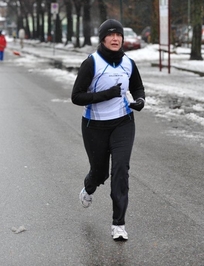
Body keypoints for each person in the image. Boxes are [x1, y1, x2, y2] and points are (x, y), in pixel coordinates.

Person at [71, 19, 145, 241]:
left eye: (118, 35)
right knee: (100, 172)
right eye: (110, 35)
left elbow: (137, 86)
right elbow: (76, 96)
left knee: (121, 170)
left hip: (123, 123)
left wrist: (140, 99)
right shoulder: (91, 63)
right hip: (95, 126)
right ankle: (89, 187)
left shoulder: (129, 63)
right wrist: (107, 94)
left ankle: (118, 224)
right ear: (102, 38)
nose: (115, 38)